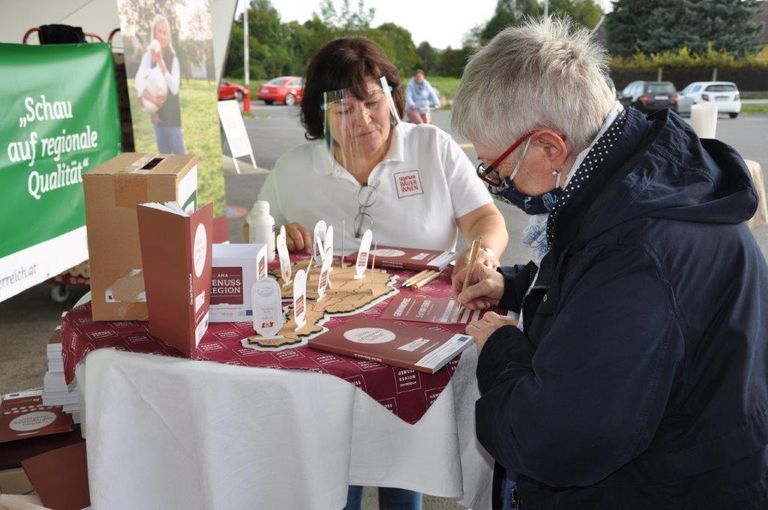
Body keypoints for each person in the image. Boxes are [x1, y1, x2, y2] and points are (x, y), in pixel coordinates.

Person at [451, 17, 768, 510]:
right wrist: (511, 286)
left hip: (666, 488)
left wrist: (500, 347)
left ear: (551, 147)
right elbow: (591, 282)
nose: (495, 182)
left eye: (495, 167)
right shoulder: (634, 176)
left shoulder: (636, 250)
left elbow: (554, 438)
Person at [257, 37, 509, 510]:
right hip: (324, 354)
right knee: (336, 470)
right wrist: (280, 238)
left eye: (373, 102)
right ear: (319, 116)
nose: (365, 121)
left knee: (404, 463)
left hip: (416, 339)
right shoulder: (293, 170)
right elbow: (260, 238)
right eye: (344, 112)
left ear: (391, 96)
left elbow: (485, 220)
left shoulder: (432, 147)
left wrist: (481, 252)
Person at [134, 14, 185, 154]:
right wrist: (151, 103)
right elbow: (139, 83)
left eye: (164, 33)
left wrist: (162, 64)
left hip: (173, 119)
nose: (162, 36)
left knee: (181, 161)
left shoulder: (173, 59)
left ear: (168, 36)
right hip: (157, 120)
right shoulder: (147, 57)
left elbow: (174, 88)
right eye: (159, 32)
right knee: (165, 162)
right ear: (154, 34)